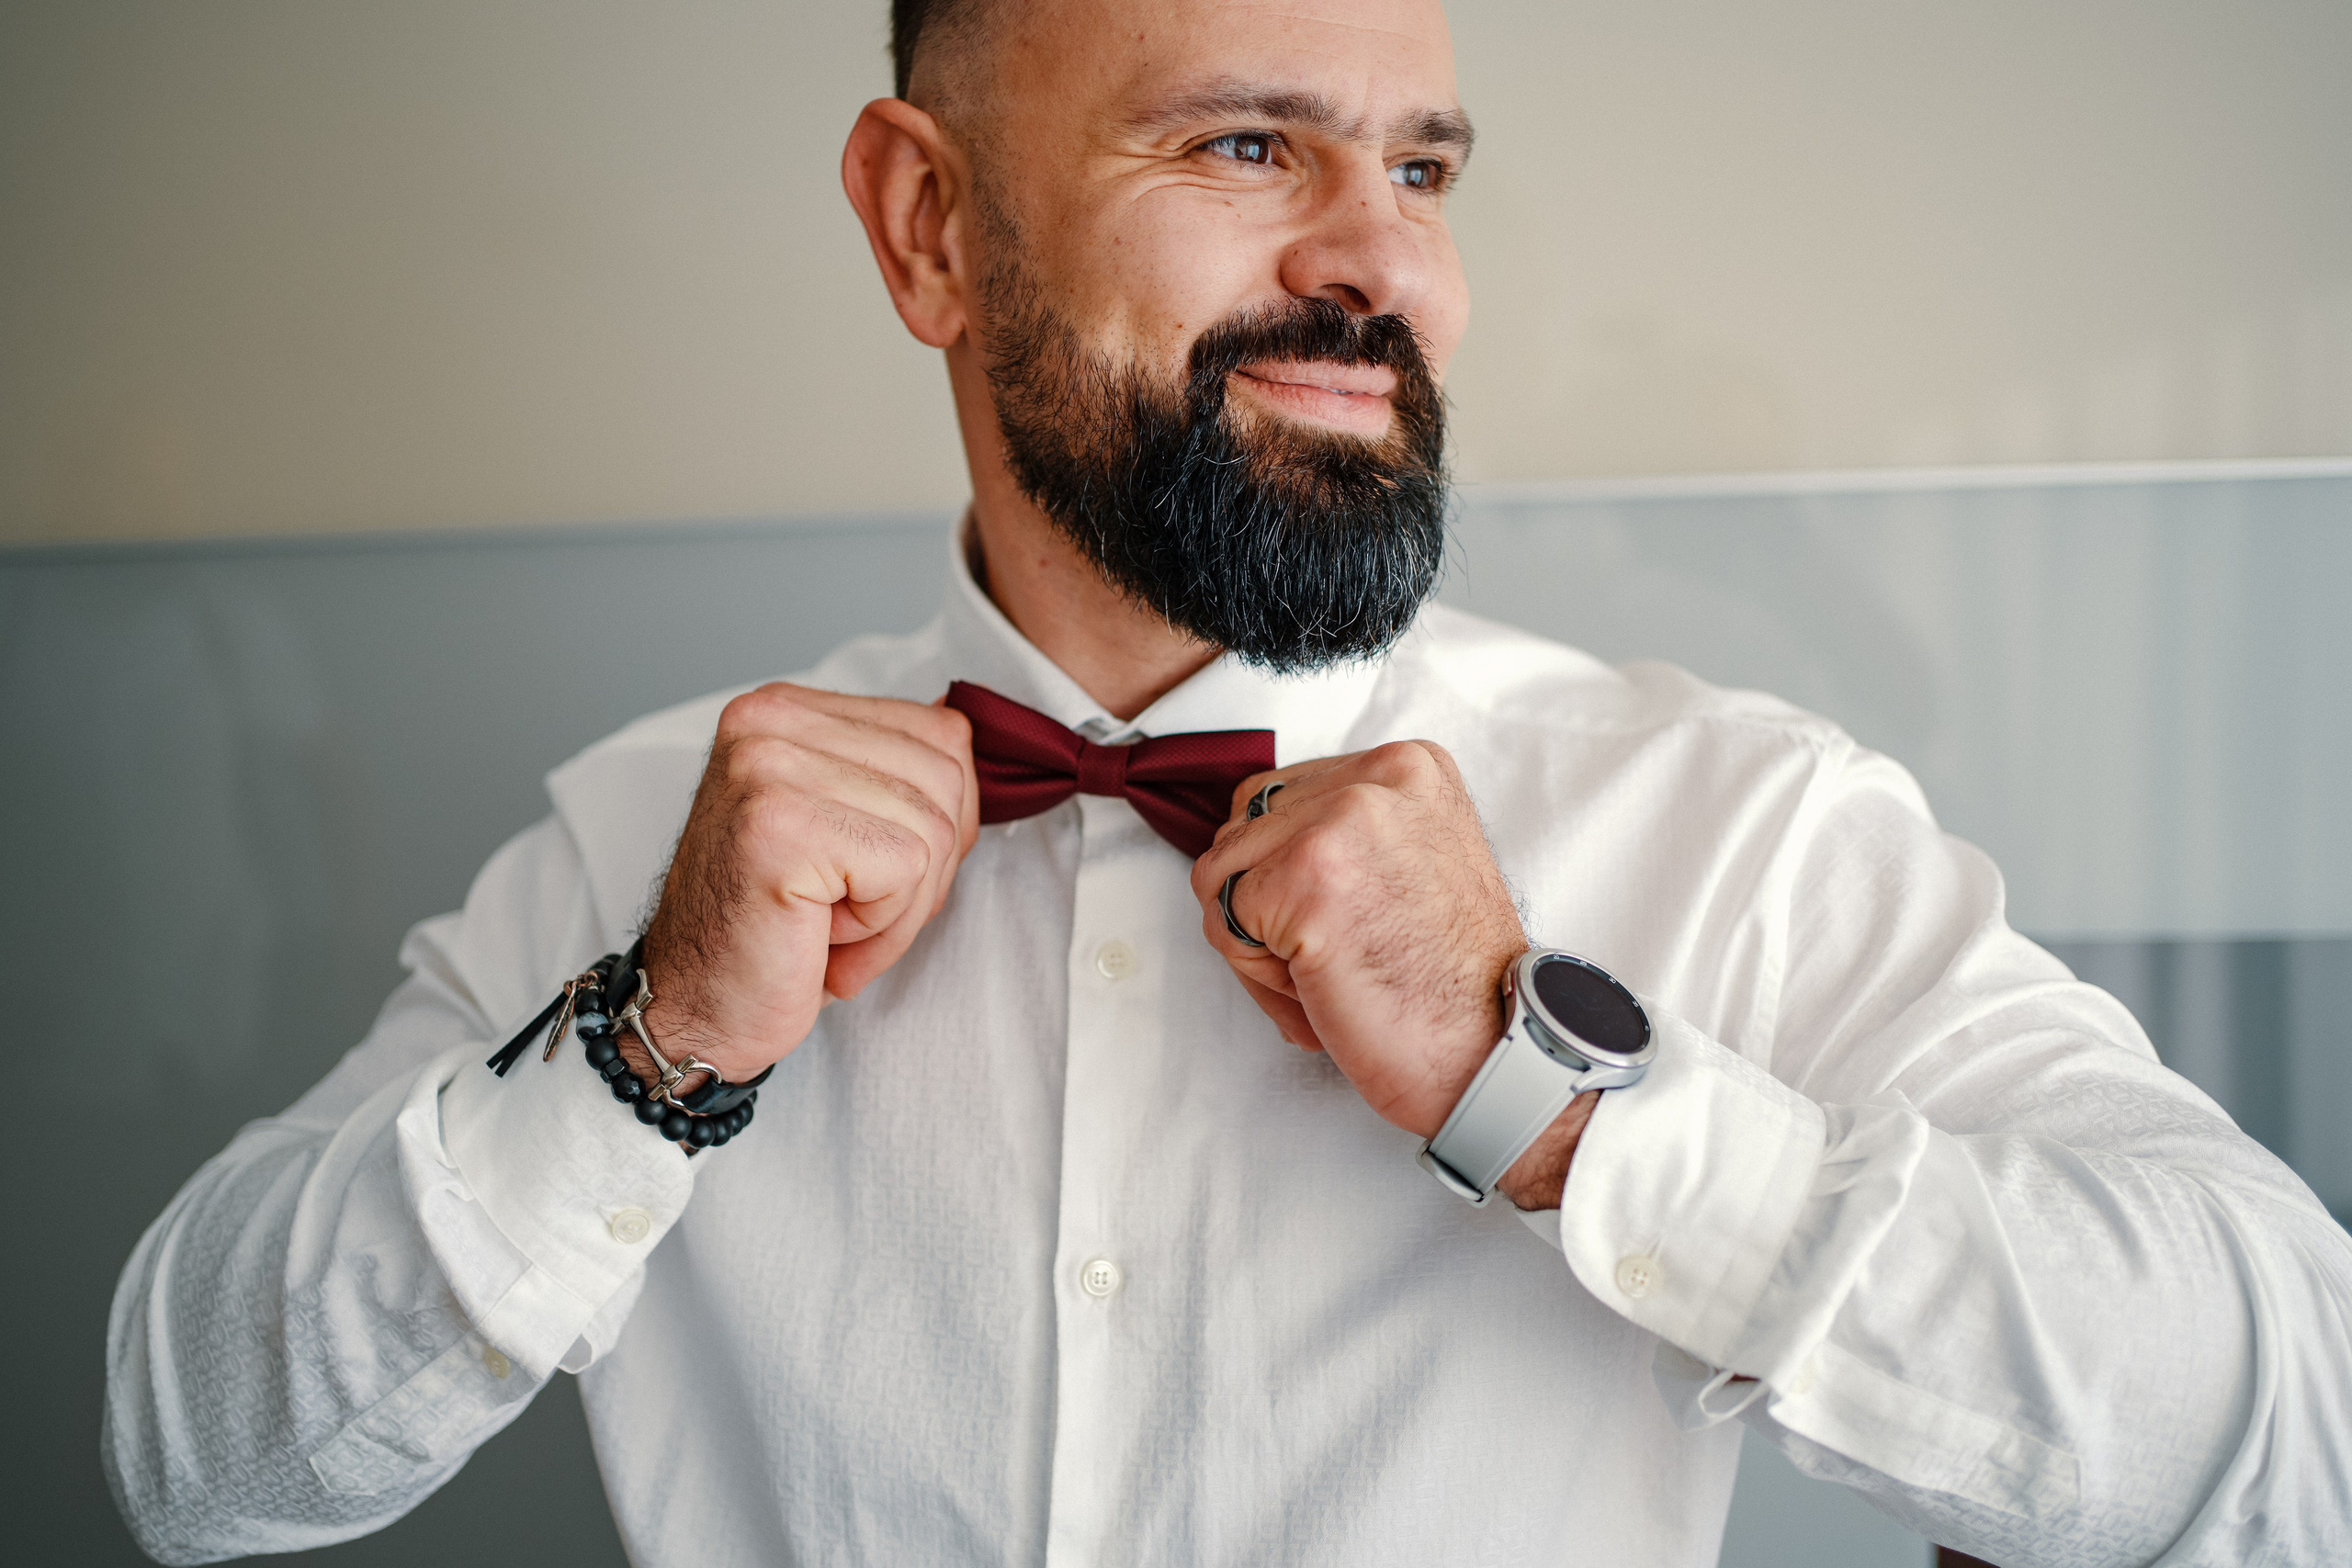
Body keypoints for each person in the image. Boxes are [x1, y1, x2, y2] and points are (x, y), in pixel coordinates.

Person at [105, 1, 2352, 1562]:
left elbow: (2287, 1429)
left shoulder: (1735, 830)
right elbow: (187, 1455)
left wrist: (1566, 1100)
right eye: (1246, 144)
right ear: (929, 229)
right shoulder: (642, 849)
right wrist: (641, 1056)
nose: (1387, 264)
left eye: (1421, 168)